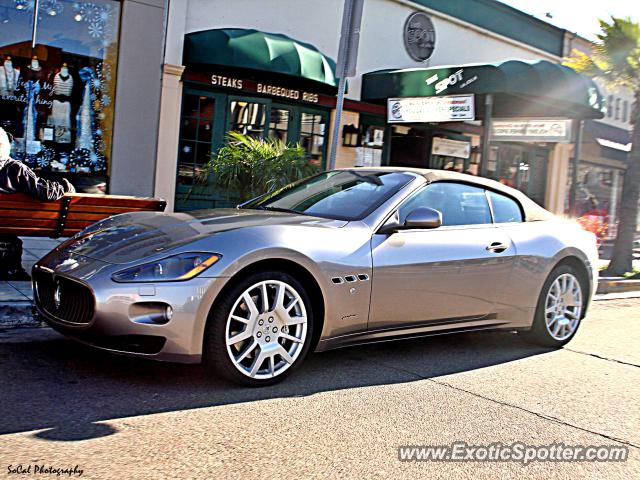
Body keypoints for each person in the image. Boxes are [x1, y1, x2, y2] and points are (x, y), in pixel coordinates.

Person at [0, 127, 75, 280]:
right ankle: (10, 269)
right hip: (7, 223)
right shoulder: (15, 169)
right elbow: (44, 192)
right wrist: (65, 185)